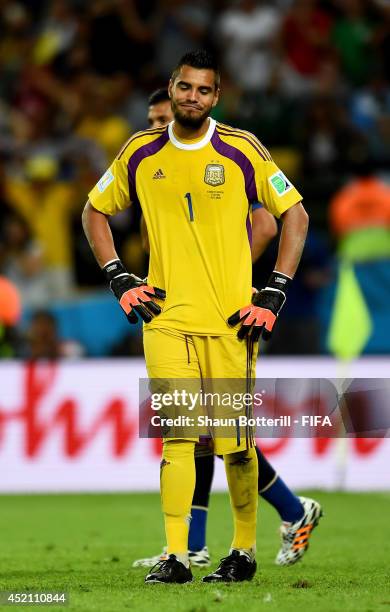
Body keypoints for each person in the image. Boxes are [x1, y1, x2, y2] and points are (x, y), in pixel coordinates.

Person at [83, 50, 310, 584]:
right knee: (179, 439)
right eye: (185, 88)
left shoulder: (242, 149)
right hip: (165, 319)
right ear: (172, 86)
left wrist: (273, 292)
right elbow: (95, 211)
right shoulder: (140, 151)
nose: (192, 98)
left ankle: (244, 553)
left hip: (232, 322)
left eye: (204, 91)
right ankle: (178, 556)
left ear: (216, 97)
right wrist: (119, 276)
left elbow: (293, 215)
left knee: (235, 445)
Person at [133, 87, 322, 569]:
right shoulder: (151, 170)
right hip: (177, 314)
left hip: (225, 314)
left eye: (163, 120)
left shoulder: (225, 158)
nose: (158, 129)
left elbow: (266, 224)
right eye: (153, 121)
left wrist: (221, 275)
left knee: (220, 437)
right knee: (202, 434)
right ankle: (282, 514)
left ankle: (225, 534)